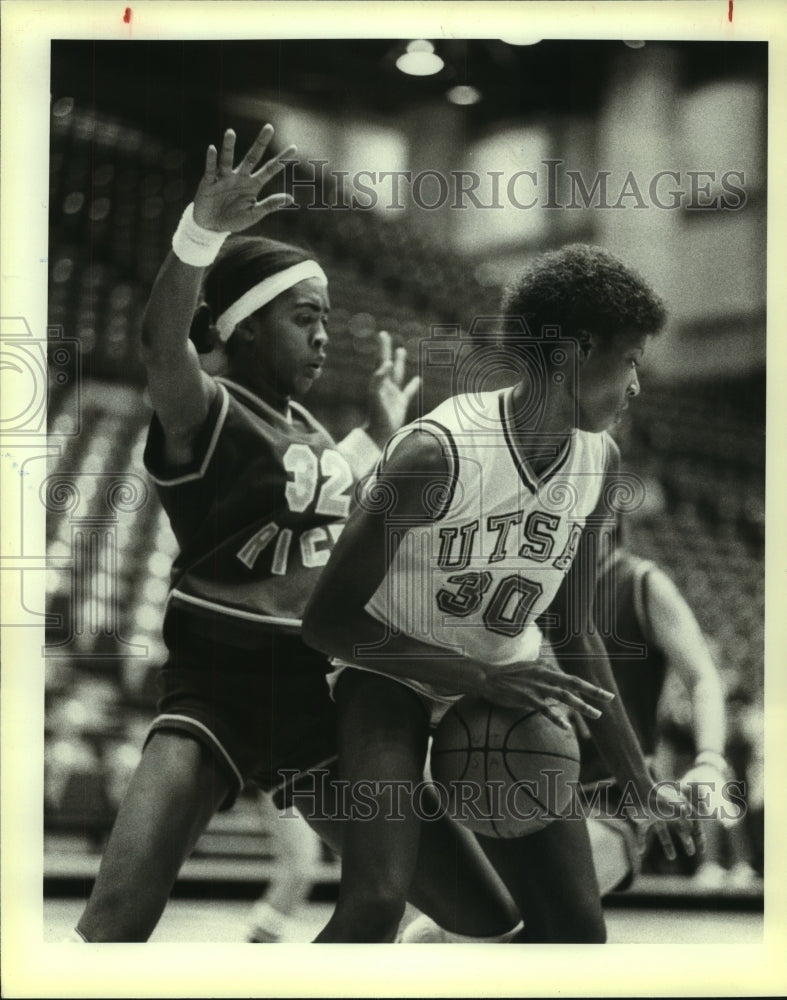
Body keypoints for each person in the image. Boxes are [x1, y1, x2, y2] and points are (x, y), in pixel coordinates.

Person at [68, 123, 527, 942]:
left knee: (488, 917)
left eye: (325, 319)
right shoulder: (208, 410)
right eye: (303, 317)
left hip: (316, 698)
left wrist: (380, 431)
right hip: (217, 685)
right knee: (115, 921)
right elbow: (160, 346)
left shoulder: (308, 430)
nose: (322, 335)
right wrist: (201, 232)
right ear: (244, 326)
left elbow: (318, 493)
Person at [302, 244, 701, 944]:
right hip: (389, 672)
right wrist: (475, 676)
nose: (637, 383)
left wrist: (638, 783)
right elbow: (328, 622)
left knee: (576, 937)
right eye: (631, 359)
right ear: (577, 350)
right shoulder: (435, 453)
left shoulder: (599, 460)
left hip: (505, 678)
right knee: (376, 902)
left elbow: (573, 627)